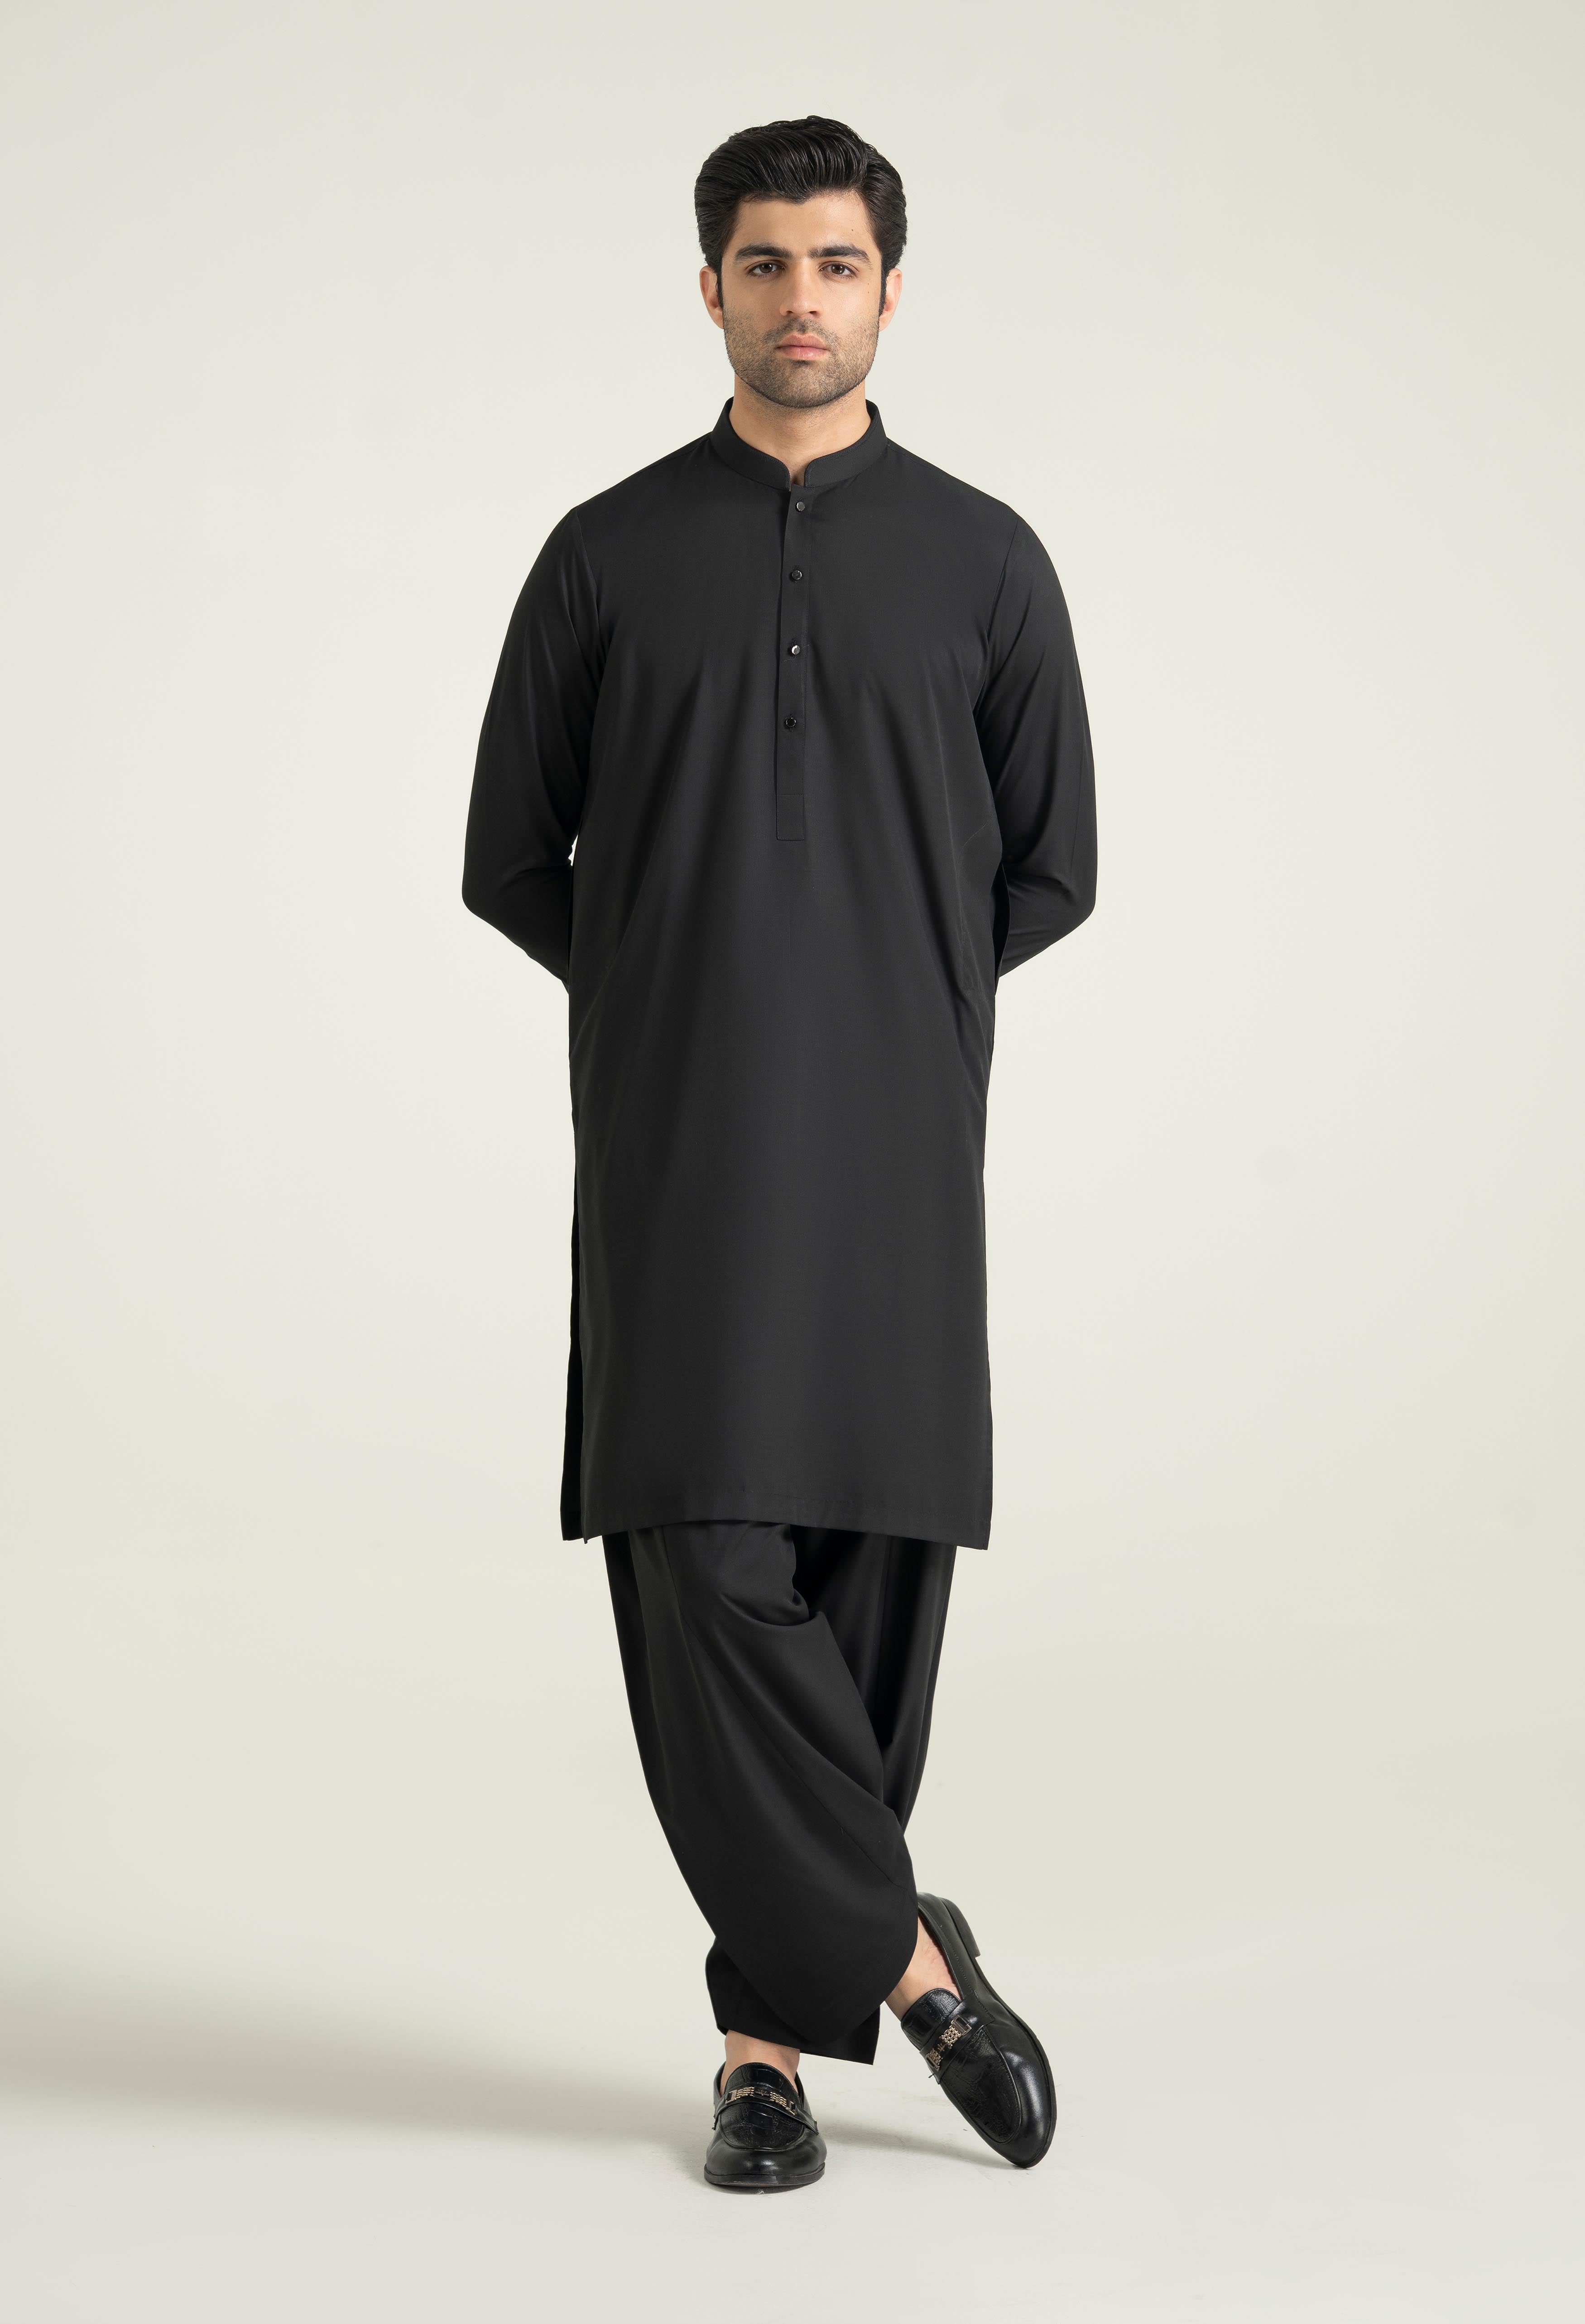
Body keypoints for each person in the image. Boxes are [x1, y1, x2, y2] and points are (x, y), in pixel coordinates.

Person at [463, 115, 1097, 2192]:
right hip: (679, 1150)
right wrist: (678, 985)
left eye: (834, 262)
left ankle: (762, 2053)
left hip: (900, 1149)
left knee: (863, 1578)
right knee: (702, 1558)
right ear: (709, 288)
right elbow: (510, 853)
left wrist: (879, 987)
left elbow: (1050, 862)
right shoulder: (604, 551)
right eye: (762, 261)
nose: (799, 296)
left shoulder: (985, 559)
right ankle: (911, 1959)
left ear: (888, 289)